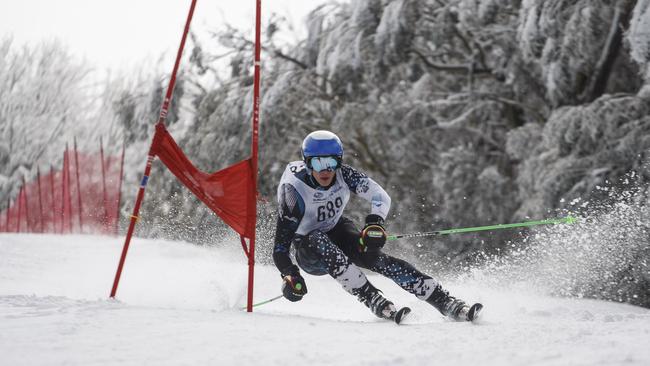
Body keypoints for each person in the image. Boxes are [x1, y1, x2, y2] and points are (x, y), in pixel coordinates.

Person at [272, 130, 481, 322]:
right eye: (318, 163)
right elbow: (280, 249)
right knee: (316, 238)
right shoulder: (293, 192)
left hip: (336, 229)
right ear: (307, 163)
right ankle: (371, 297)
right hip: (308, 250)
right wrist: (290, 274)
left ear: (340, 161)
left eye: (332, 162)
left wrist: (375, 223)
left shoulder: (344, 175)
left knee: (376, 257)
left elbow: (380, 196)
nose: (326, 170)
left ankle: (443, 300)